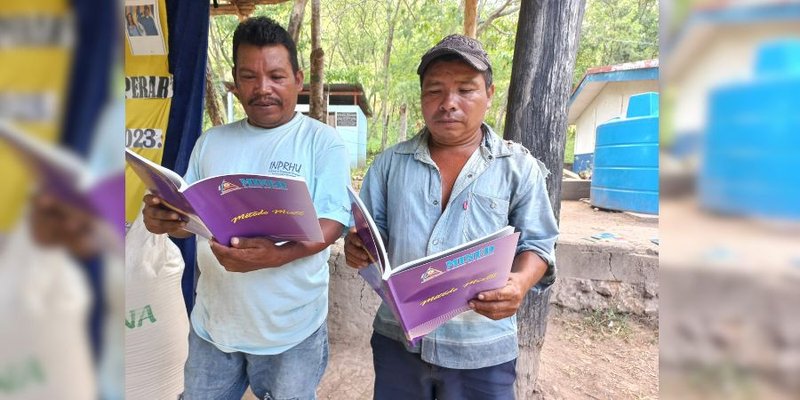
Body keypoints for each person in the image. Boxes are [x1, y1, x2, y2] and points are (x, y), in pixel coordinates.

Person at [140, 17, 351, 400]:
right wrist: (166, 221)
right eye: (249, 76)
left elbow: (333, 222)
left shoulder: (323, 143)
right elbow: (190, 218)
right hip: (214, 326)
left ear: (298, 79)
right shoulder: (212, 142)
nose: (263, 89)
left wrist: (276, 256)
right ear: (235, 83)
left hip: (290, 330)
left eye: (276, 76)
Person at [344, 34, 559, 400]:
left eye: (465, 89)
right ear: (422, 97)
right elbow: (371, 234)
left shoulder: (518, 168)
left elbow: (538, 244)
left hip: (482, 347)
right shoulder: (389, 165)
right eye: (435, 91)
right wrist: (358, 247)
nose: (449, 104)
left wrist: (520, 283)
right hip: (399, 341)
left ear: (490, 94)